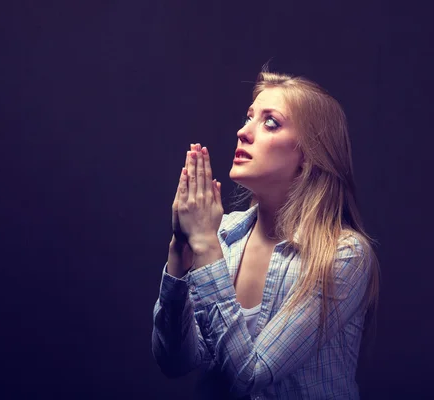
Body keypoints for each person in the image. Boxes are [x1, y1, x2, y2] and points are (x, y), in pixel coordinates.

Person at [151, 69, 380, 400]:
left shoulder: (344, 256)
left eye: (270, 122)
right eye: (248, 118)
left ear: (308, 156)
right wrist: (180, 255)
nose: (243, 132)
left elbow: (250, 373)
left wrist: (204, 246)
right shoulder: (223, 237)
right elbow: (175, 361)